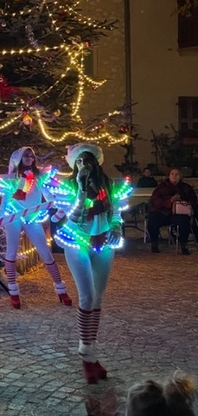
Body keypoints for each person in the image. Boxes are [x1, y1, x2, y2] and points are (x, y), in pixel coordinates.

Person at [53, 143, 132, 384]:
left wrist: (117, 226)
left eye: (87, 160)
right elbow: (74, 216)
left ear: (95, 162)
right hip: (77, 241)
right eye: (78, 162)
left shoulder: (111, 185)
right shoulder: (68, 187)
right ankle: (86, 355)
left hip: (104, 241)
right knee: (86, 296)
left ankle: (91, 353)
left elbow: (117, 211)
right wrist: (80, 189)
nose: (83, 165)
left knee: (98, 298)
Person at [0, 146, 72, 309]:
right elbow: (6, 201)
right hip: (13, 217)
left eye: (31, 156)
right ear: (19, 158)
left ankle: (61, 289)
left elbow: (48, 196)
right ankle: (13, 291)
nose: (29, 158)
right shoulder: (12, 178)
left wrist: (54, 202)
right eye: (26, 156)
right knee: (11, 252)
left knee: (45, 252)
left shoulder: (39, 177)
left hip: (32, 217)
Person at [146, 168, 197, 255]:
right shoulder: (162, 187)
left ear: (180, 177)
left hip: (179, 213)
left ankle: (183, 245)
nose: (174, 176)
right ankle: (154, 243)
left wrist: (182, 201)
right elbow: (155, 200)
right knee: (152, 220)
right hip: (163, 212)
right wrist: (170, 201)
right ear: (169, 176)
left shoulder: (185, 187)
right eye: (172, 174)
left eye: (177, 174)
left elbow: (193, 199)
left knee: (184, 222)